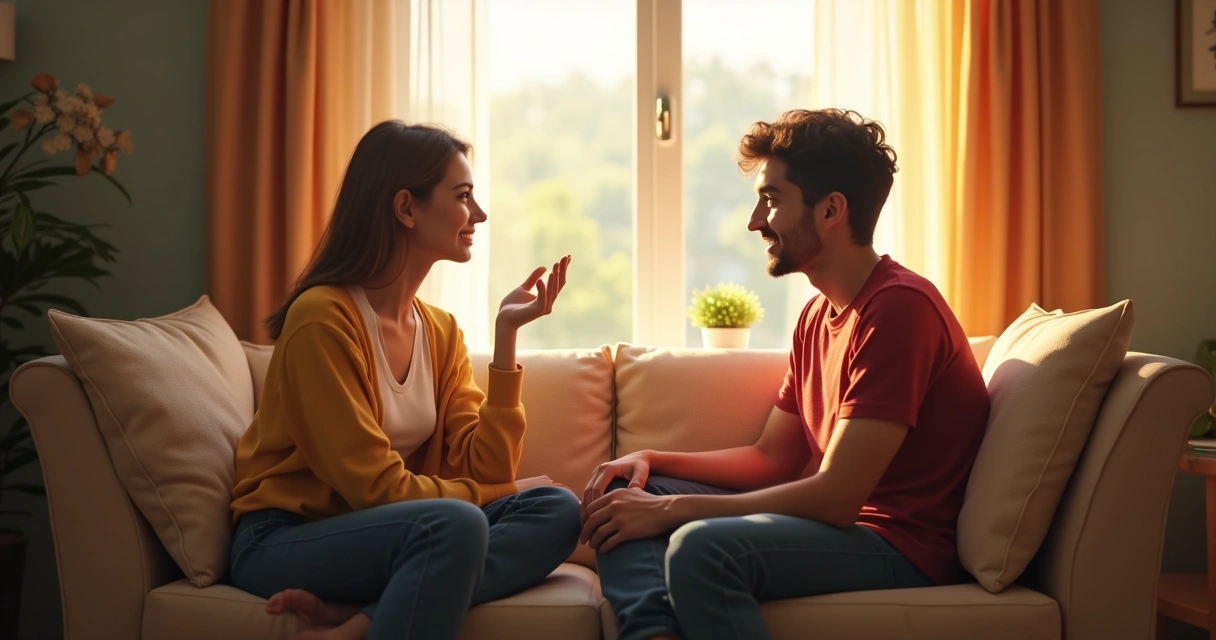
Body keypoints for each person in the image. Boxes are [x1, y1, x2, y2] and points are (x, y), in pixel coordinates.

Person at [580, 109, 991, 640]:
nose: (755, 221)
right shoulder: (816, 318)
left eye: (771, 200)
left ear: (831, 211)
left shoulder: (899, 309)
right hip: (845, 527)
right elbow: (772, 459)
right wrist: (651, 462)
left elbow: (839, 496)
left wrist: (672, 513)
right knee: (633, 494)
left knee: (701, 546)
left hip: (901, 544)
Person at [228, 121, 580, 640]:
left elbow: (487, 464)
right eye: (463, 197)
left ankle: (362, 616)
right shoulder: (322, 319)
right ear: (406, 209)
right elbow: (376, 490)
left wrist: (506, 338)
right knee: (454, 525)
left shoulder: (439, 330)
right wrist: (499, 492)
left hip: (399, 533)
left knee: (557, 509)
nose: (479, 214)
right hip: (284, 538)